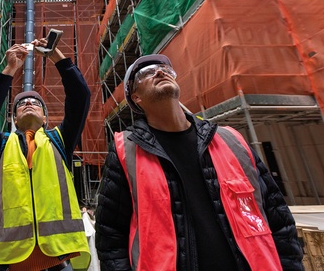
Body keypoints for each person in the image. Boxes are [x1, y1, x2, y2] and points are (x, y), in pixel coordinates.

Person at [94, 54, 304, 271]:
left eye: (165, 69)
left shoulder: (232, 140)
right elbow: (110, 236)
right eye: (147, 73)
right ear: (136, 97)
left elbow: (278, 217)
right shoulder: (125, 151)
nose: (159, 72)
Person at [0, 37, 91, 271]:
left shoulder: (59, 140)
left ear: (46, 118)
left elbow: (80, 98)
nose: (28, 103)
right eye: (21, 103)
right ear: (14, 119)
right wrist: (9, 70)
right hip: (8, 260)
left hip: (58, 257)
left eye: (35, 103)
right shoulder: (1, 146)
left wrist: (56, 57)